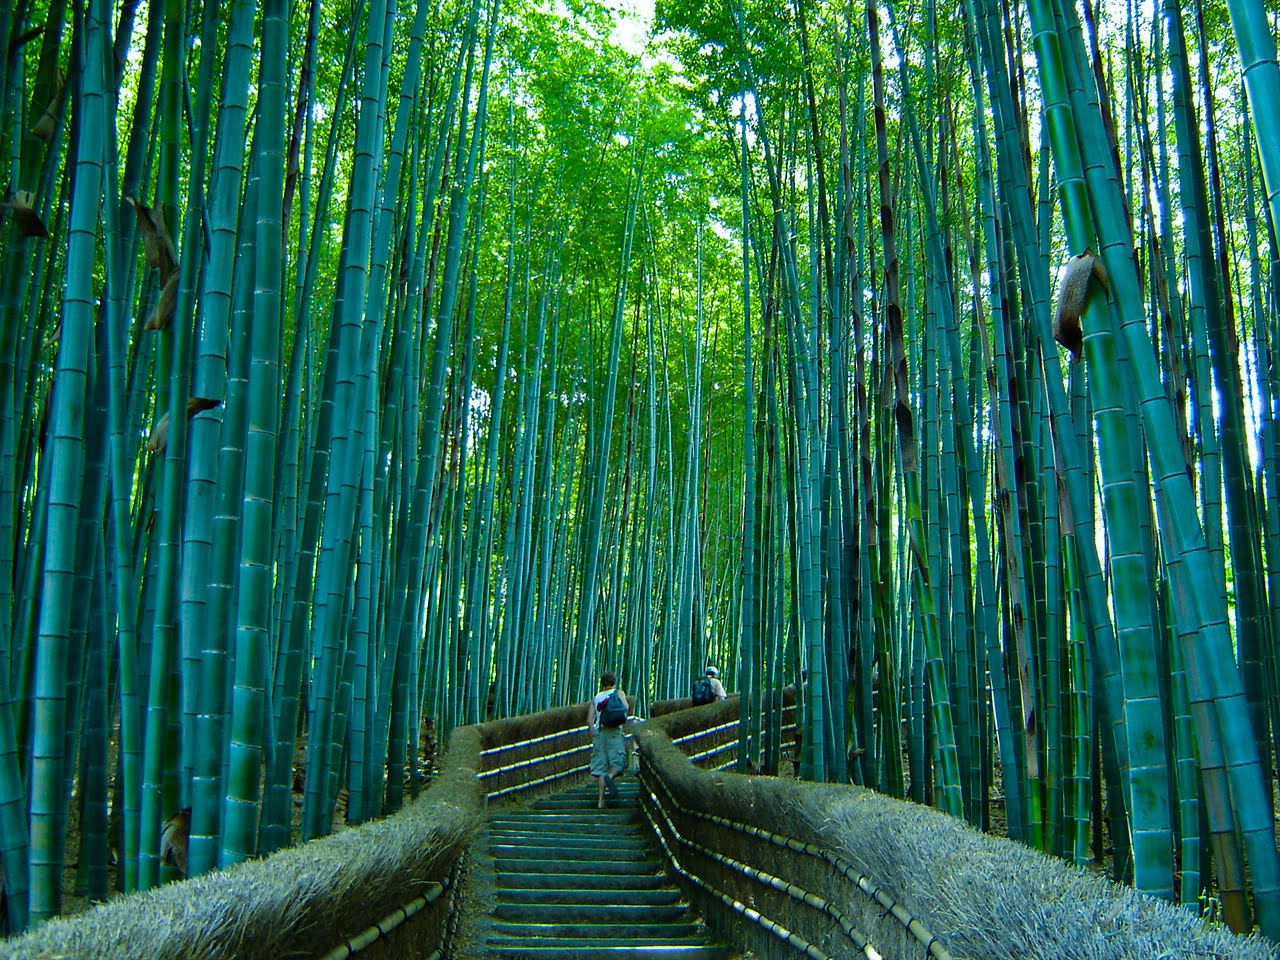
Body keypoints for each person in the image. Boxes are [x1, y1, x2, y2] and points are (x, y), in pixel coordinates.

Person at [587, 671, 628, 809]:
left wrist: (594, 734)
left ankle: (600, 801)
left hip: (600, 733)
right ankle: (610, 777)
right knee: (617, 763)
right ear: (614, 682)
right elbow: (626, 707)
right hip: (614, 732)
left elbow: (589, 719)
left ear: (602, 683)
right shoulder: (618, 693)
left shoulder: (596, 697)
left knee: (600, 769)